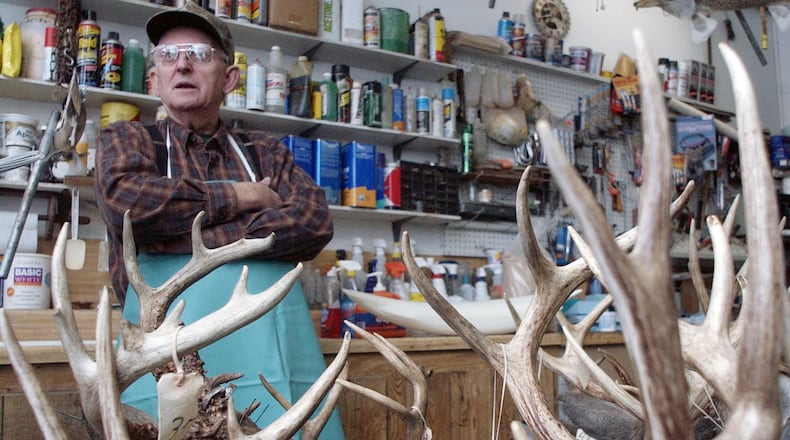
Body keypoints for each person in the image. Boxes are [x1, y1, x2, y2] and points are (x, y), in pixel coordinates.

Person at [94, 2, 343, 438]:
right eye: (168, 56)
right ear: (153, 80)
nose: (183, 64)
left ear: (230, 79)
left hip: (271, 366)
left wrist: (180, 233)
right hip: (164, 365)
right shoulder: (129, 140)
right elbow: (127, 205)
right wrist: (243, 196)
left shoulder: (267, 152)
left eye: (200, 53)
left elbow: (312, 221)